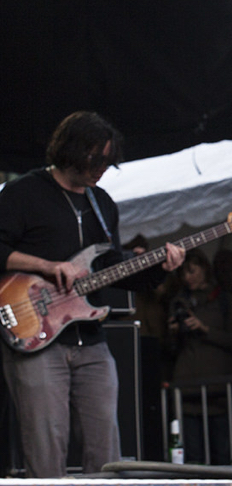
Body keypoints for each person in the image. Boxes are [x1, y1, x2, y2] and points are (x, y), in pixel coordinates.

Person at [0, 111, 185, 477]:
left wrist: (156, 266)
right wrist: (46, 266)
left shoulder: (103, 204)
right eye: (96, 160)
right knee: (46, 447)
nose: (102, 169)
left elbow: (109, 269)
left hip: (92, 342)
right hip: (36, 334)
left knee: (107, 450)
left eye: (108, 162)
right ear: (71, 150)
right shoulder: (23, 193)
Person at [167, 249, 232, 465]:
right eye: (182, 273)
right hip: (188, 392)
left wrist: (204, 328)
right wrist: (173, 333)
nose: (187, 277)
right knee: (192, 458)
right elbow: (168, 350)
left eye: (191, 271)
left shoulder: (225, 301)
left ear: (204, 269)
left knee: (222, 456)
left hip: (218, 392)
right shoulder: (178, 302)